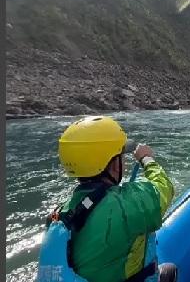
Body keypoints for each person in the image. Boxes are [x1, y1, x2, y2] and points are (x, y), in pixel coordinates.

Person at [38, 116, 176, 282]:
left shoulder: (60, 213)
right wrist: (147, 159)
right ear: (112, 164)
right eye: (119, 157)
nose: (122, 163)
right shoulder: (126, 203)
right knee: (170, 270)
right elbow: (164, 188)